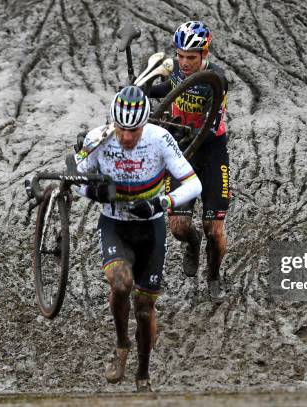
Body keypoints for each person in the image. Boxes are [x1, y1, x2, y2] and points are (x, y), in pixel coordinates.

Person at [76, 86, 202, 392]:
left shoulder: (159, 139)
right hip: (115, 225)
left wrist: (163, 203)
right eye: (121, 128)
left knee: (144, 309)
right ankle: (122, 346)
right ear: (113, 122)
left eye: (133, 130)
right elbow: (75, 179)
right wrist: (91, 190)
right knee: (120, 284)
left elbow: (193, 183)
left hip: (151, 227)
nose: (127, 136)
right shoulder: (98, 139)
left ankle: (143, 373)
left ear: (144, 124)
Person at [148, 20, 230, 300]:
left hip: (211, 153)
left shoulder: (216, 79)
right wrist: (140, 91)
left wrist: (185, 131)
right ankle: (192, 245)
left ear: (204, 55)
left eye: (191, 58)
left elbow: (211, 122)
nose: (184, 63)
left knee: (214, 229)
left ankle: (214, 276)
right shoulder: (177, 70)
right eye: (180, 56)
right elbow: (165, 90)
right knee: (179, 228)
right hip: (183, 153)